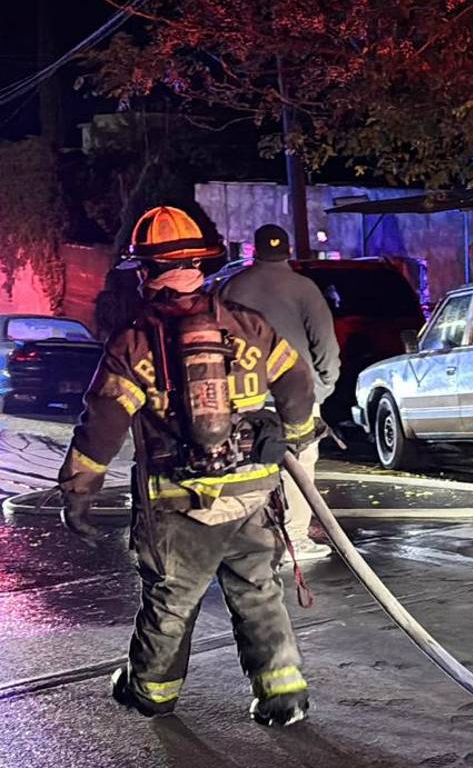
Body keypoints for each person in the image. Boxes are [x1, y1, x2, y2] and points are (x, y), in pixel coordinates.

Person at [57, 206, 319, 726]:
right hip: (253, 496)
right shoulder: (249, 327)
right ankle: (283, 695)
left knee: (172, 599)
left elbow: (102, 423)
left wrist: (78, 492)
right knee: (259, 591)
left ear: (145, 271)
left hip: (180, 505)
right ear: (203, 262)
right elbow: (298, 385)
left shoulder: (134, 343)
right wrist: (293, 437)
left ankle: (152, 692)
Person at [220, 224, 340, 560]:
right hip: (298, 397)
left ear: (254, 250)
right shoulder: (305, 289)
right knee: (300, 465)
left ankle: (251, 537)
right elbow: (325, 345)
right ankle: (296, 538)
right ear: (287, 250)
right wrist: (323, 387)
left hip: (245, 399)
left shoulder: (232, 288)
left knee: (246, 466)